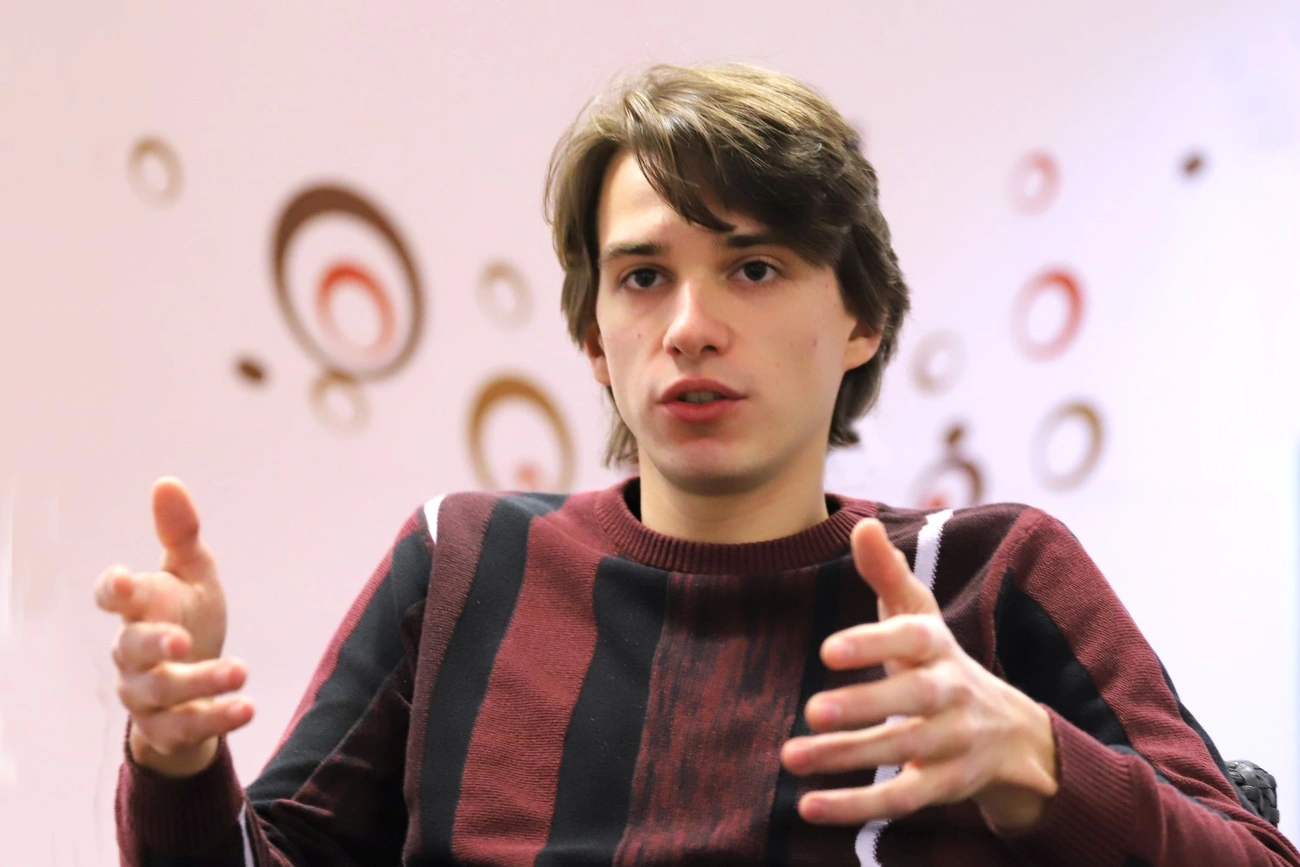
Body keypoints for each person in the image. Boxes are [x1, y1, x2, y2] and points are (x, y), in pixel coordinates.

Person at [96, 64, 1300, 866]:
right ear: (593, 338)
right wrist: (175, 756)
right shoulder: (462, 562)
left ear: (863, 318)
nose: (689, 328)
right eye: (642, 277)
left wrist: (1034, 759)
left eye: (754, 268)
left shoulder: (985, 577)